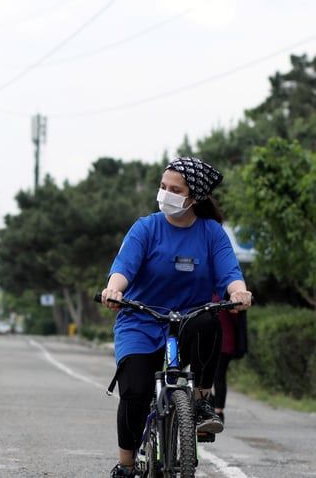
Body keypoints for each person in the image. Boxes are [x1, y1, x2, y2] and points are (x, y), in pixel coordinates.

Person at [99, 156, 253, 478]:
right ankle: (126, 465)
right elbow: (123, 268)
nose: (165, 194)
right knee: (136, 391)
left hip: (189, 320)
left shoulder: (212, 233)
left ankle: (199, 402)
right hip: (141, 321)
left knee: (209, 322)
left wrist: (239, 292)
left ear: (193, 198)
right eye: (163, 186)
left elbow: (230, 273)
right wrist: (114, 290)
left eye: (175, 189)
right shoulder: (146, 228)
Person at [212, 293, 248, 424]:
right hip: (212, 342)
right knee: (211, 376)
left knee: (218, 376)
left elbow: (237, 315)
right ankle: (214, 407)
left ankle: (218, 410)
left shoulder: (228, 295)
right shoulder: (207, 293)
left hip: (225, 343)